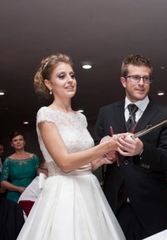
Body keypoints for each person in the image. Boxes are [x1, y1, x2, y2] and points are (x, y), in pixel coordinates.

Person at [17, 53, 125, 240]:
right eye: (62, 76)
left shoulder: (80, 118)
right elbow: (65, 163)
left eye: (72, 75)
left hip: (89, 189)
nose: (70, 80)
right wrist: (102, 147)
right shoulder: (46, 115)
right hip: (62, 193)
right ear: (49, 84)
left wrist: (103, 158)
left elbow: (85, 165)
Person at [95, 54, 167, 239]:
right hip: (114, 204)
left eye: (146, 78)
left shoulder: (166, 115)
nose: (141, 83)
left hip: (151, 207)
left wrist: (142, 150)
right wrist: (105, 153)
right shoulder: (106, 112)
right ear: (123, 81)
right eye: (135, 77)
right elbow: (95, 150)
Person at [0, 131, 40, 202]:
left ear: (24, 142)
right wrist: (18, 188)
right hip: (14, 195)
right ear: (12, 144)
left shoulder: (34, 158)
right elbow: (3, 182)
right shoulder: (8, 160)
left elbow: (39, 176)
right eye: (15, 140)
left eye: (20, 139)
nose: (18, 142)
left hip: (33, 193)